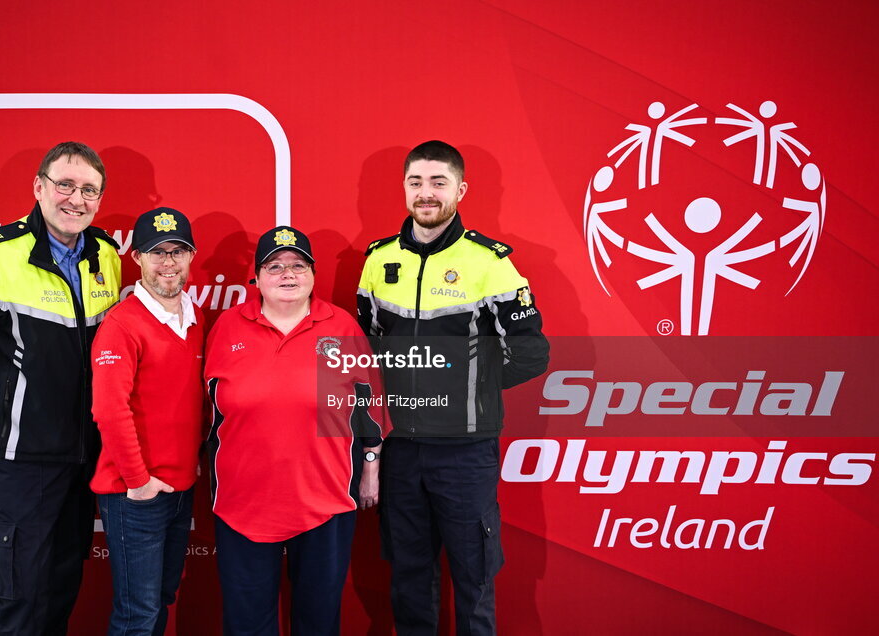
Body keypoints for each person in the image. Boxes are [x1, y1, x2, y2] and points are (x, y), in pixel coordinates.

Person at [0, 141, 122, 635]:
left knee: (64, 578)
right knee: (22, 588)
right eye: (65, 185)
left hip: (85, 453)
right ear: (38, 187)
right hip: (23, 458)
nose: (76, 199)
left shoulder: (107, 254)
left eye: (89, 190)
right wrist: (1, 416)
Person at [357, 140, 550, 635]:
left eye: (438, 182)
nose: (427, 193)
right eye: (416, 182)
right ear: (403, 188)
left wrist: (465, 389)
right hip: (399, 451)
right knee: (408, 579)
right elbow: (366, 357)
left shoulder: (491, 263)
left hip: (465, 453)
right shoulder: (378, 260)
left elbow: (531, 352)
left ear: (460, 189)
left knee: (474, 581)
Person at [204, 226, 385, 635]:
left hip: (325, 504)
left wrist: (371, 464)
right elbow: (206, 412)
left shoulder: (339, 326)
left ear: (313, 274)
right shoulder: (227, 328)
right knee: (247, 626)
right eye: (274, 266)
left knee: (318, 624)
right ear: (256, 277)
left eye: (298, 265)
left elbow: (368, 407)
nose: (287, 274)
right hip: (242, 506)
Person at [90, 207, 204, 635]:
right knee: (137, 616)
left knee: (158, 603)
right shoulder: (122, 324)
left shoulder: (195, 321)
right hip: (135, 494)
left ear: (191, 257)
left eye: (178, 251)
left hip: (179, 490)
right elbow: (109, 409)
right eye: (156, 253)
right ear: (136, 257)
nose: (168, 263)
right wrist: (138, 481)